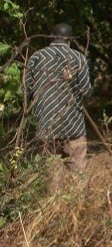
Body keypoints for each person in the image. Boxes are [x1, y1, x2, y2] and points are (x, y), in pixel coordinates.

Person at [26, 22, 93, 183]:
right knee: (79, 173)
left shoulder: (37, 57)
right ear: (69, 40)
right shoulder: (78, 58)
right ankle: (78, 205)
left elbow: (26, 89)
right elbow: (87, 91)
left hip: (46, 124)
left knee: (52, 174)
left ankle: (54, 206)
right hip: (73, 124)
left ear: (51, 37)